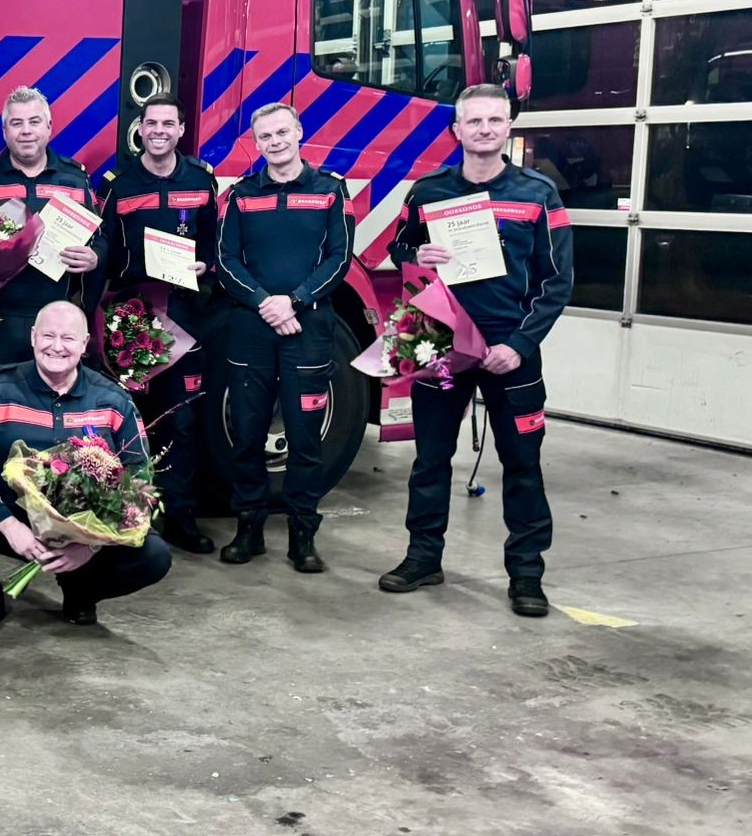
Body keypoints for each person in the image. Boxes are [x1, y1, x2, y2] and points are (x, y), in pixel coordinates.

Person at [381, 84, 574, 617]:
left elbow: (556, 282)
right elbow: (399, 249)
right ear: (456, 130)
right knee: (430, 459)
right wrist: (414, 252)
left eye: (495, 120)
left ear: (509, 125)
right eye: (474, 121)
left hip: (511, 350)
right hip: (440, 343)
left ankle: (527, 576)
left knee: (522, 464)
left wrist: (519, 344)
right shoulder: (426, 193)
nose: (485, 129)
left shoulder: (540, 195)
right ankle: (423, 557)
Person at [0, 301, 171, 631]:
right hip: (14, 520)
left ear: (85, 345)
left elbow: (140, 478)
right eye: (48, 336)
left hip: (85, 528)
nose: (56, 347)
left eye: (68, 338)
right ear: (32, 337)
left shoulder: (114, 400)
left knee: (154, 554)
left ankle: (80, 590)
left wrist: (89, 546)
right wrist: (7, 525)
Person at [216, 102, 351, 572]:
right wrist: (264, 303)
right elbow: (225, 261)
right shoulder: (240, 195)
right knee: (247, 436)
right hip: (251, 331)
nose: (274, 142)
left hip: (307, 330)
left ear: (298, 132)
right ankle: (248, 529)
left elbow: (340, 258)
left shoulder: (331, 191)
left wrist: (293, 301)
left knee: (305, 439)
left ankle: (302, 537)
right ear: (257, 144)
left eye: (281, 133)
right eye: (265, 137)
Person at [95, 93, 218, 554]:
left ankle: (179, 517)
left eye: (169, 123)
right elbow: (101, 250)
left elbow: (213, 244)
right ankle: (130, 517)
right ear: (140, 130)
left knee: (181, 422)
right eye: (152, 123)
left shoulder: (201, 180)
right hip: (131, 320)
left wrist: (205, 266)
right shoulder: (117, 183)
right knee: (132, 423)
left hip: (185, 315)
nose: (160, 130)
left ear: (181, 130)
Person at [0, 87, 110, 391]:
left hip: (57, 320)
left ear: (49, 126)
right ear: (4, 130)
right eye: (16, 123)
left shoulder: (75, 179)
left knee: (54, 409)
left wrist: (94, 257)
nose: (26, 131)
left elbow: (101, 239)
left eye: (34, 122)